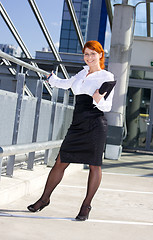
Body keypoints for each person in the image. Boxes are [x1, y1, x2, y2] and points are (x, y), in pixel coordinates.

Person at [27, 40, 115, 221]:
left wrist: (97, 98)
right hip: (77, 124)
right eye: (86, 54)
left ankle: (86, 205)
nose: (89, 57)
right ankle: (44, 199)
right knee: (60, 161)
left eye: (92, 53)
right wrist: (52, 79)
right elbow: (66, 84)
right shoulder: (82, 73)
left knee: (94, 165)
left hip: (95, 123)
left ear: (100, 55)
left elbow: (107, 106)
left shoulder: (107, 76)